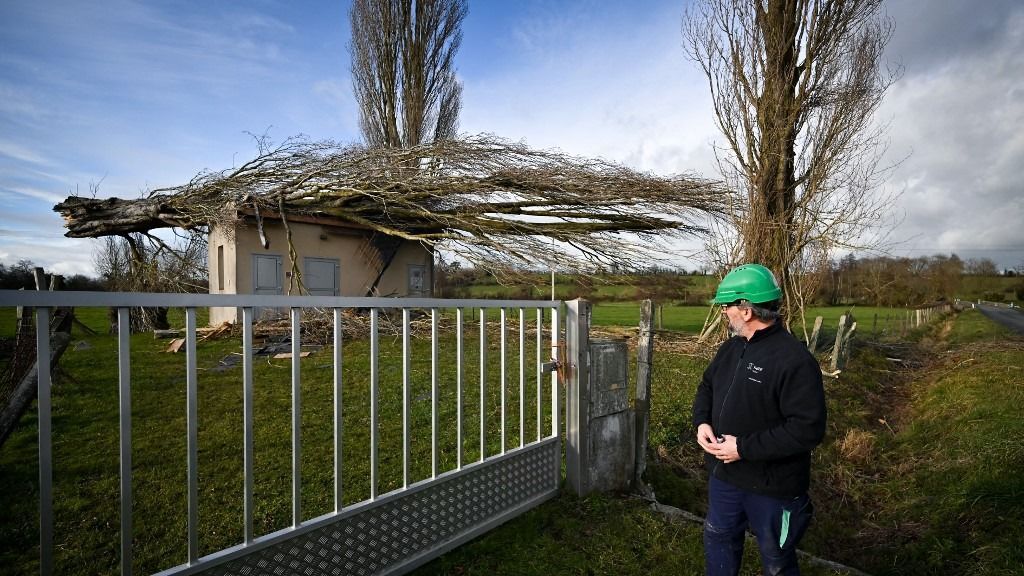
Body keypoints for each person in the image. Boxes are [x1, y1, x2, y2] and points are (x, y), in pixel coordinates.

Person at [692, 263, 827, 576]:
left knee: (776, 560)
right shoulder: (731, 348)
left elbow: (807, 429)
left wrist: (744, 448)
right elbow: (707, 386)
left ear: (745, 310)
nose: (723, 313)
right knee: (719, 538)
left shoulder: (793, 360)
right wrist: (702, 422)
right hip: (725, 477)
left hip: (773, 487)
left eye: (726, 306)